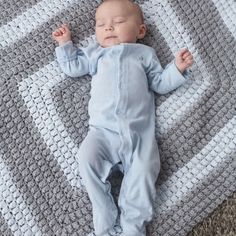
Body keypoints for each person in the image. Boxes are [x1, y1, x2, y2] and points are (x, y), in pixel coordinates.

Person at [52, 0, 194, 235]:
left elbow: (159, 83)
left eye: (118, 22)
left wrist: (177, 69)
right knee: (86, 159)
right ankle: (104, 216)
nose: (109, 28)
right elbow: (74, 66)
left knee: (144, 175)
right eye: (101, 24)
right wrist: (65, 44)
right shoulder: (96, 53)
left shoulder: (145, 54)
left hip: (139, 135)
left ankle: (132, 227)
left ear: (141, 31)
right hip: (102, 133)